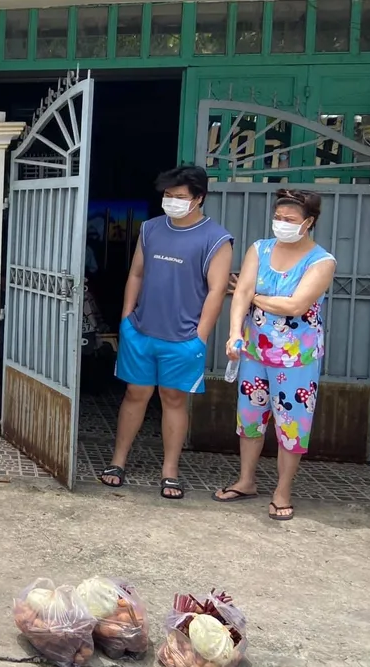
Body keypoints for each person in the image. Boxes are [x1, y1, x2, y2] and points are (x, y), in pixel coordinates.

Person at [99, 166, 233, 499]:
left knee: (173, 399)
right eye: (167, 196)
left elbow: (217, 291)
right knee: (135, 394)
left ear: (199, 198)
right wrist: (127, 319)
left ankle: (170, 470)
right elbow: (136, 274)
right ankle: (118, 461)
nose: (171, 202)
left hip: (184, 338)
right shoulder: (150, 229)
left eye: (180, 197)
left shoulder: (215, 238)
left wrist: (200, 336)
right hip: (141, 331)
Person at [213, 190, 335, 521]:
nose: (281, 224)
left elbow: (296, 305)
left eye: (290, 220)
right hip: (253, 352)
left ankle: (282, 490)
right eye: (278, 218)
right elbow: (240, 294)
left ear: (309, 222)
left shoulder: (322, 261)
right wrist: (235, 331)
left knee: (292, 425)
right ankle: (247, 480)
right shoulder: (259, 248)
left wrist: (254, 296)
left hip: (298, 359)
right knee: (250, 418)